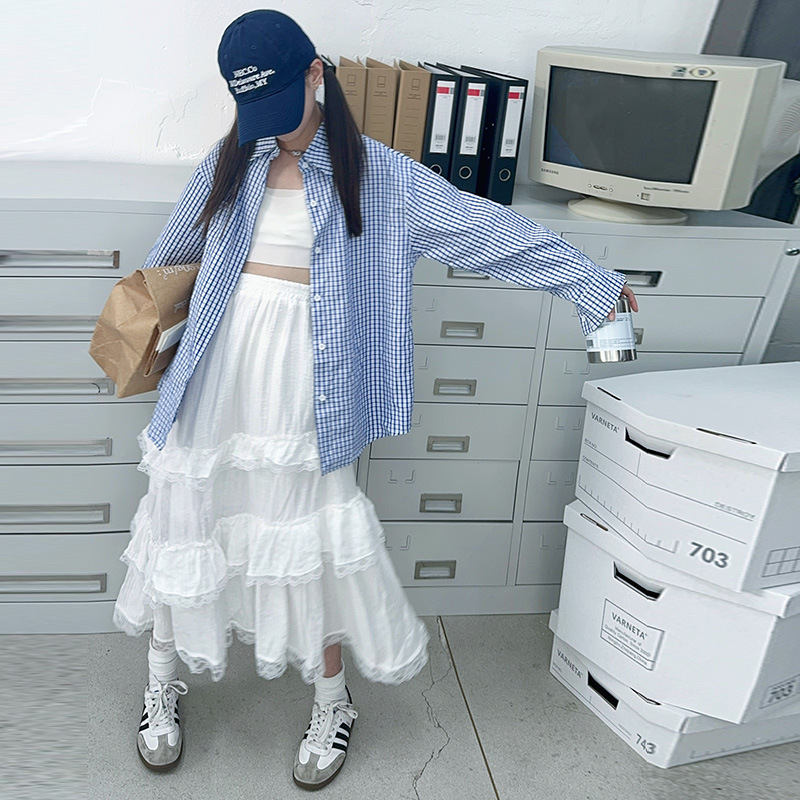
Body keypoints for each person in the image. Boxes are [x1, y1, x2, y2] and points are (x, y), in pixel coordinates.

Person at [111, 8, 638, 791]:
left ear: (315, 75)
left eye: (280, 105)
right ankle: (161, 684)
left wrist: (593, 285)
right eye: (253, 110)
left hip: (307, 387)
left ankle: (332, 702)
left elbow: (488, 231)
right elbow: (171, 259)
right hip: (216, 372)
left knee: (313, 542)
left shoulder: (383, 177)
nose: (269, 128)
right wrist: (144, 340)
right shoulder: (233, 160)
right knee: (185, 519)